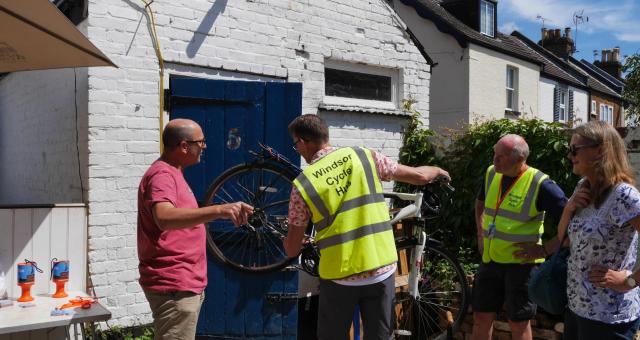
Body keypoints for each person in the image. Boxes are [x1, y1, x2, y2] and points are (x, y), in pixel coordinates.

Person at [283, 114, 450, 340]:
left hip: (339, 277)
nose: (297, 149)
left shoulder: (303, 184)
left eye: (295, 144)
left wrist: (292, 240)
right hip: (380, 269)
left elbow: (292, 250)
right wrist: (438, 170)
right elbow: (419, 176)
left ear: (303, 142)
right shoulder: (363, 156)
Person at [137, 118, 253, 339]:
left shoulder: (172, 172)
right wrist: (219, 210)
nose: (205, 146)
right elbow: (164, 217)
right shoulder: (162, 176)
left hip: (183, 282)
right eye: (200, 142)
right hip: (174, 284)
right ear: (183, 146)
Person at [472, 134, 567, 340]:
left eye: (501, 157)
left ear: (519, 159)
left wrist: (544, 250)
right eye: (494, 155)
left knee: (519, 322)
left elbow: (572, 223)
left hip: (521, 266)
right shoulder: (491, 173)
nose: (494, 161)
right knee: (480, 316)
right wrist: (480, 235)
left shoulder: (541, 183)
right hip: (490, 260)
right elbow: (480, 204)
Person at [556, 121, 640, 339]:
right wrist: (568, 209)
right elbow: (563, 240)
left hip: (608, 316)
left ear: (600, 150)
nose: (570, 155)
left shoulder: (624, 195)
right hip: (576, 308)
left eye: (575, 149)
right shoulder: (583, 187)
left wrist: (629, 281)